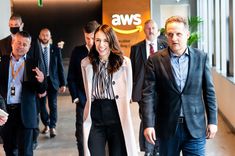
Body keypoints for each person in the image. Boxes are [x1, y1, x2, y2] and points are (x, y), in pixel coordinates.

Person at [141, 16, 218, 156]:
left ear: (187, 35)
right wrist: (148, 124)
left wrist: (213, 121)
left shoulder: (201, 58)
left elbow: (209, 91)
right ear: (166, 36)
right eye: (170, 34)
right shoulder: (155, 60)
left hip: (195, 127)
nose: (174, 38)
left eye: (178, 34)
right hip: (167, 127)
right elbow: (148, 95)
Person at [81, 24, 138, 156]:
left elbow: (127, 92)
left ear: (111, 41)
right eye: (98, 40)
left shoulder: (124, 63)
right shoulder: (86, 63)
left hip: (116, 114)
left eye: (105, 40)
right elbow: (88, 91)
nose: (101, 45)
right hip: (95, 115)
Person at [0, 31, 45, 156]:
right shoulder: (3, 61)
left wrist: (41, 81)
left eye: (25, 44)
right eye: (18, 43)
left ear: (29, 47)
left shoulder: (33, 63)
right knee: (9, 150)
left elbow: (41, 90)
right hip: (6, 112)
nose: (21, 46)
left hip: (25, 112)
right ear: (12, 43)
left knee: (26, 152)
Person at [130, 19, 167, 156]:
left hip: (162, 90)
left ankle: (156, 149)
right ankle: (149, 150)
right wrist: (130, 92)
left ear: (157, 30)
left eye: (153, 28)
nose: (151, 30)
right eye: (148, 28)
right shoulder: (136, 48)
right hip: (143, 91)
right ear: (144, 30)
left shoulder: (165, 45)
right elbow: (133, 71)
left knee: (159, 119)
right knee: (146, 118)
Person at [67, 20, 99, 156]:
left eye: (93, 38)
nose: (90, 41)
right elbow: (71, 77)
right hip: (82, 100)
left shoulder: (104, 51)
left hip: (100, 101)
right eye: (87, 38)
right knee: (81, 135)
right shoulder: (77, 51)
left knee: (98, 135)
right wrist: (76, 97)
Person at [38, 28, 66, 138]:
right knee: (41, 105)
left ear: (50, 37)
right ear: (40, 36)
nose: (45, 37)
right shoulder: (36, 49)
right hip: (40, 82)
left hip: (53, 81)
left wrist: (63, 83)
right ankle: (47, 124)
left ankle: (52, 126)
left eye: (47, 35)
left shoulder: (56, 49)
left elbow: (60, 67)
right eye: (43, 35)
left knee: (53, 105)